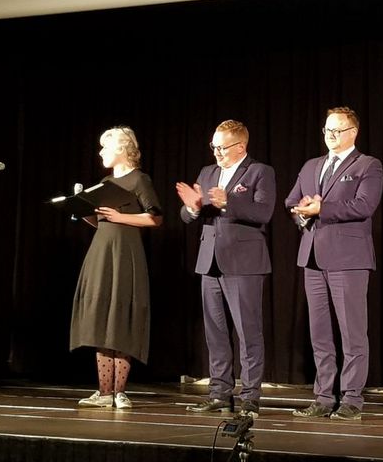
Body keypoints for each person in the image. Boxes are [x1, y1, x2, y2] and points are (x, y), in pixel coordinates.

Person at [286, 107, 383, 421]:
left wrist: (322, 208)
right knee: (320, 333)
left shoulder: (367, 165)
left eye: (337, 130)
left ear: (353, 132)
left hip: (349, 258)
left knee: (352, 333)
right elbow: (292, 201)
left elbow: (364, 205)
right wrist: (301, 212)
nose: (330, 135)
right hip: (313, 257)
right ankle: (324, 397)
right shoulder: (311, 166)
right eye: (327, 129)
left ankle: (352, 398)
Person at [178, 120, 275, 418]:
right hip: (210, 261)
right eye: (214, 147)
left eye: (222, 147)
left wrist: (228, 201)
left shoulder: (260, 171)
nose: (217, 153)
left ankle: (250, 396)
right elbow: (187, 214)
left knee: (248, 332)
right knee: (216, 333)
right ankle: (219, 394)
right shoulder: (208, 172)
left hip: (244, 263)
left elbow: (264, 212)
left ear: (240, 146)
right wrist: (193, 207)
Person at [71, 126, 163, 409]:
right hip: (101, 252)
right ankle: (104, 393)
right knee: (101, 318)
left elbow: (155, 218)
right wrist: (81, 208)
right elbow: (100, 222)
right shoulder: (106, 182)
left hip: (125, 254)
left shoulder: (139, 179)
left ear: (122, 149)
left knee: (121, 318)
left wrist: (119, 217)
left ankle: (119, 392)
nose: (100, 152)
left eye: (105, 147)